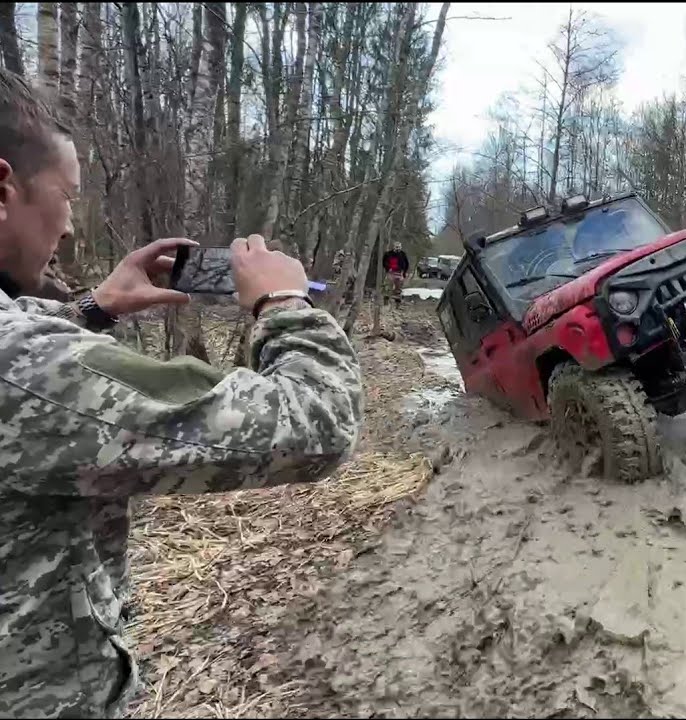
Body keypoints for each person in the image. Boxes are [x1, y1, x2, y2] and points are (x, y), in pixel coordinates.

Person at [0, 68, 363, 718]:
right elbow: (320, 420)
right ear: (3, 190)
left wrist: (94, 310)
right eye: (66, 196)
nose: (70, 228)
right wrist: (283, 302)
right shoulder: (22, 365)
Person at [381, 241, 409, 306]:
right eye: (396, 247)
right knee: (388, 286)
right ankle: (386, 302)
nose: (398, 248)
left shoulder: (403, 254)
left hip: (399, 272)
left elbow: (406, 264)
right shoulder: (388, 254)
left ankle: (397, 303)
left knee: (398, 287)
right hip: (391, 272)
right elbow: (384, 262)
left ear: (401, 247)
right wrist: (388, 268)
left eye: (399, 247)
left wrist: (404, 273)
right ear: (394, 247)